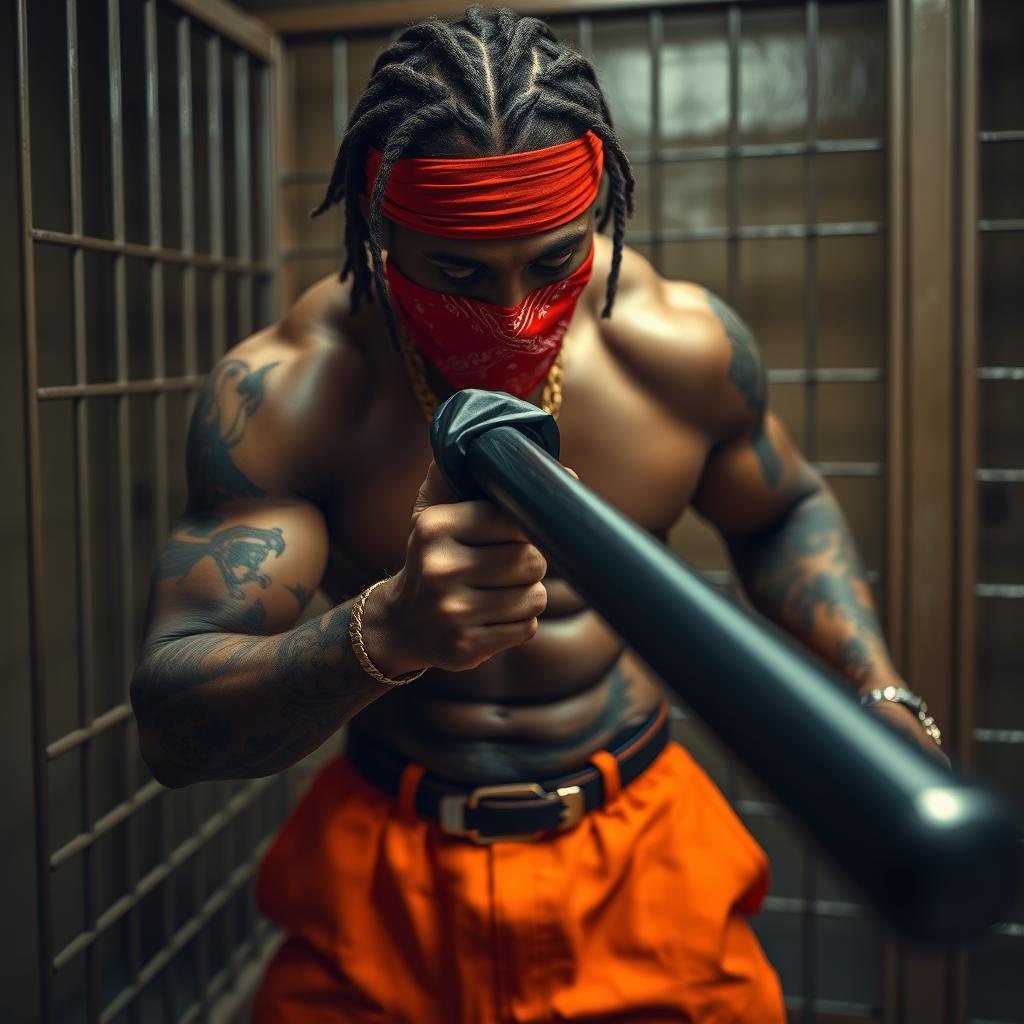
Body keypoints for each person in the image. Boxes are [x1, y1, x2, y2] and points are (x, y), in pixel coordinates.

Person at [130, 7, 946, 1021]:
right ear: (381, 232)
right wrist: (379, 634)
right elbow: (169, 726)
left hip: (640, 849)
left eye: (553, 263)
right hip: (389, 868)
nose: (516, 314)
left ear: (599, 214)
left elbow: (780, 510)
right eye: (460, 273)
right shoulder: (294, 392)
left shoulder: (675, 347)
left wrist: (880, 693)